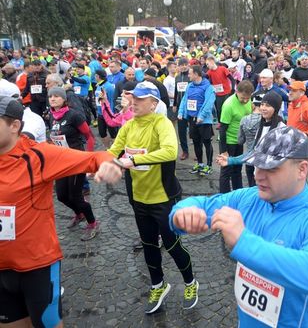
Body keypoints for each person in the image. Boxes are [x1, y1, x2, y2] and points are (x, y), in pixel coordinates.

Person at [169, 126, 308, 327]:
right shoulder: (249, 197)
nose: (258, 175)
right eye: (257, 165)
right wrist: (181, 214)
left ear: (301, 169)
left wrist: (243, 241)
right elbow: (201, 205)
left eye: (271, 168)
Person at [0, 95, 122, 328]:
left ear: (14, 126)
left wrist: (109, 164)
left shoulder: (39, 155)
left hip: (36, 267)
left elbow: (96, 157)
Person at [108, 81, 199, 313]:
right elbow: (112, 152)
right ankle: (158, 285)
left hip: (163, 198)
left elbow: (170, 151)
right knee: (148, 244)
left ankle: (190, 282)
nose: (134, 102)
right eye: (133, 97)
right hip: (139, 198)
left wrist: (134, 160)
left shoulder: (162, 122)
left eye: (140, 98)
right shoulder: (129, 125)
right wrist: (91, 164)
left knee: (172, 244)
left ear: (153, 103)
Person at [48, 87, 100, 240]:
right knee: (62, 196)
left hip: (76, 161)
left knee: (75, 196)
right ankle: (79, 214)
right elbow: (55, 137)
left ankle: (93, 223)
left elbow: (89, 137)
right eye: (50, 96)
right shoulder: (51, 116)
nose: (53, 99)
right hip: (61, 161)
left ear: (64, 99)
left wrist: (88, 158)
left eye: (56, 96)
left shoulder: (74, 115)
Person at [178, 65, 216, 175]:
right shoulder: (190, 86)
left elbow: (209, 103)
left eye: (190, 73)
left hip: (204, 121)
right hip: (192, 119)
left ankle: (209, 166)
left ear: (196, 74)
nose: (188, 75)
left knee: (207, 143)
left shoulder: (208, 87)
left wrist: (201, 116)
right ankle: (200, 164)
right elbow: (184, 99)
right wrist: (181, 112)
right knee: (196, 142)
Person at [218, 80, 254, 193]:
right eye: (243, 98)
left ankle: (237, 193)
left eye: (248, 98)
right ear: (236, 91)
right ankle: (224, 196)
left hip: (239, 141)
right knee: (226, 170)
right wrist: (224, 150)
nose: (245, 100)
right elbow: (222, 130)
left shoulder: (249, 100)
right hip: (228, 141)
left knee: (237, 168)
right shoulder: (229, 105)